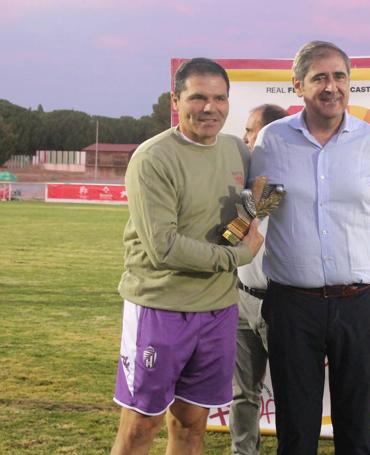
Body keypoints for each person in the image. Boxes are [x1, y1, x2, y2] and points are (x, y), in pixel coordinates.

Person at [250, 40, 370, 455]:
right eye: (319, 77)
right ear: (297, 85)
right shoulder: (272, 141)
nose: (331, 86)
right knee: (296, 432)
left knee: (357, 434)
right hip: (292, 308)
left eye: (339, 76)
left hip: (360, 305)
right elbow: (256, 212)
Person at [110, 57, 263, 455]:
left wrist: (256, 212)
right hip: (160, 308)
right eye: (198, 97)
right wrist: (237, 257)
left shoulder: (236, 151)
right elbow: (164, 247)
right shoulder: (153, 158)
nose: (209, 107)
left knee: (193, 425)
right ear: (176, 101)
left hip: (219, 310)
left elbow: (246, 212)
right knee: (140, 425)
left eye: (219, 98)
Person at [230, 104, 287, 455]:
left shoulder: (282, 184)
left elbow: (241, 226)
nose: (245, 137)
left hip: (279, 302)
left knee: (290, 395)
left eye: (251, 131)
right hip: (241, 299)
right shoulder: (245, 182)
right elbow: (232, 234)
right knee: (242, 393)